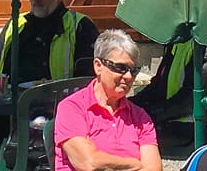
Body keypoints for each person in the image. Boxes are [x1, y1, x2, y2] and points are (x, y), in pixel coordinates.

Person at [0, 0, 99, 162]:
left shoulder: (79, 25)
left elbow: (87, 78)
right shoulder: (16, 25)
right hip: (6, 108)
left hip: (54, 109)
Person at [54, 30, 162, 171]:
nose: (129, 76)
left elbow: (153, 168)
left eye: (134, 70)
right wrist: (133, 164)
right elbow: (88, 163)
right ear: (98, 66)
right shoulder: (72, 108)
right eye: (121, 68)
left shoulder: (140, 117)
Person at [129, 37, 207, 148]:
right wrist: (128, 105)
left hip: (192, 127)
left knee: (128, 133)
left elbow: (189, 101)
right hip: (169, 119)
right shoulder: (179, 41)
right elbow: (157, 85)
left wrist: (150, 115)